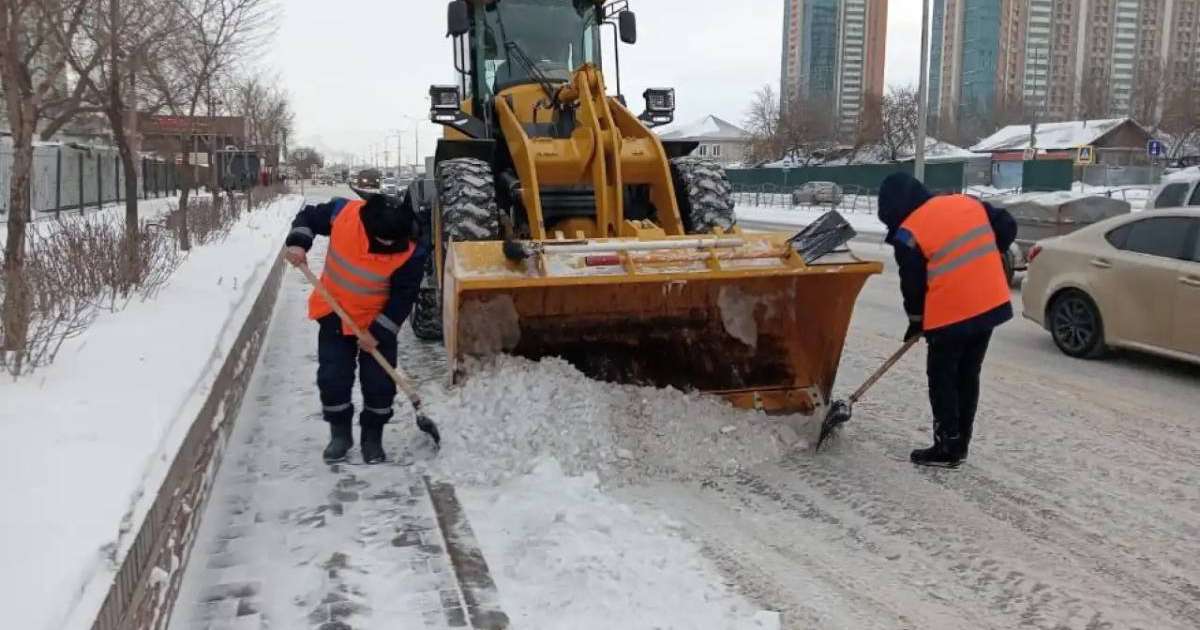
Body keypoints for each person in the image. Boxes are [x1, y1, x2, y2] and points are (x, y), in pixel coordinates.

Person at [876, 173, 1017, 468]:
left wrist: (916, 321)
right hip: (989, 302)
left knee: (942, 376)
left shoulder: (908, 233)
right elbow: (1007, 225)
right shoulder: (963, 201)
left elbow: (913, 287)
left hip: (952, 312)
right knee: (968, 374)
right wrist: (991, 257)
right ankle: (959, 443)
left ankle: (946, 447)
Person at [283, 193, 426, 464]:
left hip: (377, 319)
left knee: (380, 384)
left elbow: (403, 297)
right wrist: (298, 243)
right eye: (385, 240)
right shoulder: (344, 213)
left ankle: (373, 438)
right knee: (333, 377)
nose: (390, 244)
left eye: (395, 240)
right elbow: (309, 217)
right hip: (335, 312)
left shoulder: (413, 248)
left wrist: (379, 333)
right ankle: (340, 435)